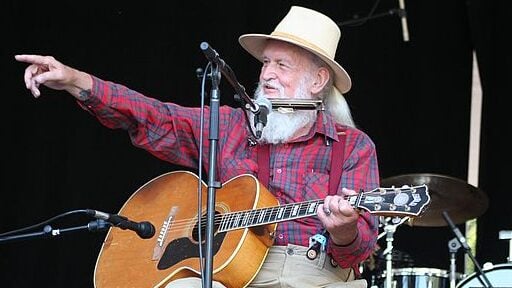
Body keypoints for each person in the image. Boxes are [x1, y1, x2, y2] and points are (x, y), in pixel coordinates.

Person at [16, 5, 379, 288]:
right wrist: (76, 82)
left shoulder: (352, 147)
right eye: (266, 62)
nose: (266, 74)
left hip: (314, 274)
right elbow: (155, 118)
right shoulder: (234, 126)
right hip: (230, 272)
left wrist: (344, 230)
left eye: (282, 65)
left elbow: (360, 248)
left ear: (318, 80)